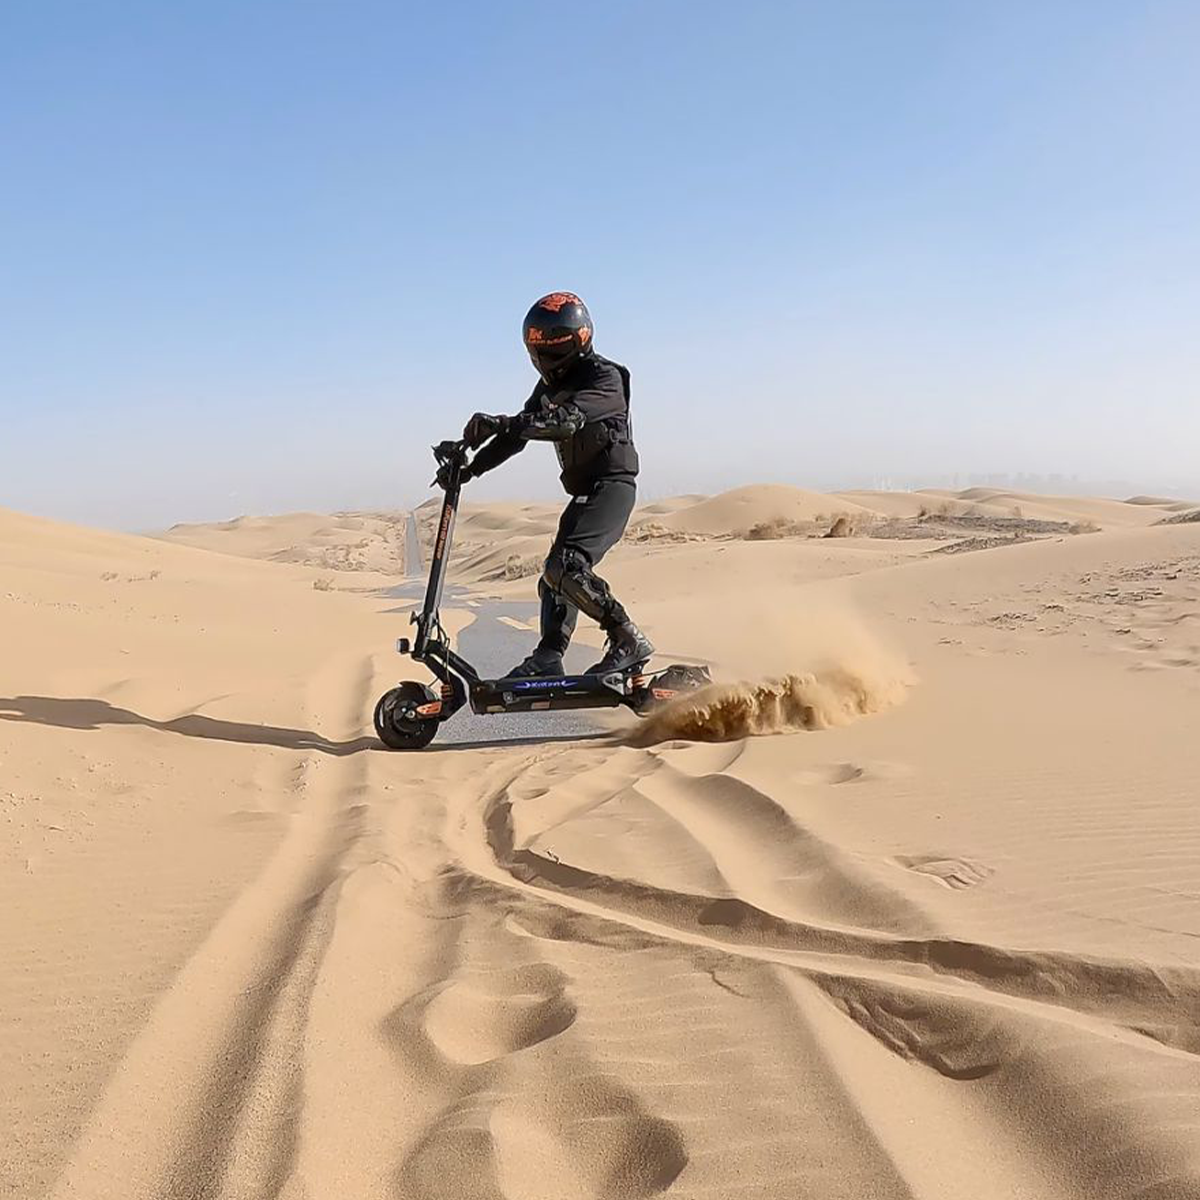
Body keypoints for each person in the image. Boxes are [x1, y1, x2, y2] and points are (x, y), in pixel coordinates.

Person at [449, 291, 654, 678]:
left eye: (554, 345)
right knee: (554, 578)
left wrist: (501, 422)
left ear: (579, 340)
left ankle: (626, 637)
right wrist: (470, 468)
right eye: (539, 347)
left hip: (612, 487)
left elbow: (564, 422)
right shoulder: (549, 387)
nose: (545, 356)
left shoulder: (605, 378)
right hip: (585, 492)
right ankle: (548, 656)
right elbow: (516, 436)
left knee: (567, 567)